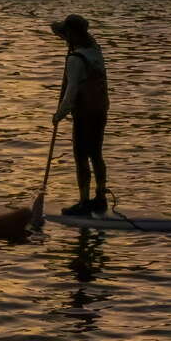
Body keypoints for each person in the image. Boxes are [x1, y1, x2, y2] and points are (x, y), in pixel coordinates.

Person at [51, 13, 110, 216]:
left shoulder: (75, 60)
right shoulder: (95, 50)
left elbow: (71, 92)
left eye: (66, 35)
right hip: (101, 111)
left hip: (84, 114)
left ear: (72, 35)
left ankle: (84, 201)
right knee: (96, 154)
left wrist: (59, 114)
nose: (64, 38)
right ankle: (100, 198)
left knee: (81, 156)